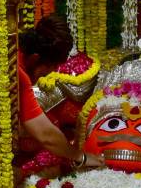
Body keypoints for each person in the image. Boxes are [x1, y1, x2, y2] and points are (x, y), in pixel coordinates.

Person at [17, 14, 104, 168]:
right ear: (35, 59)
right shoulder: (19, 74)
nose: (39, 79)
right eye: (45, 72)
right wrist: (80, 156)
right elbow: (45, 134)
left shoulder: (14, 50)